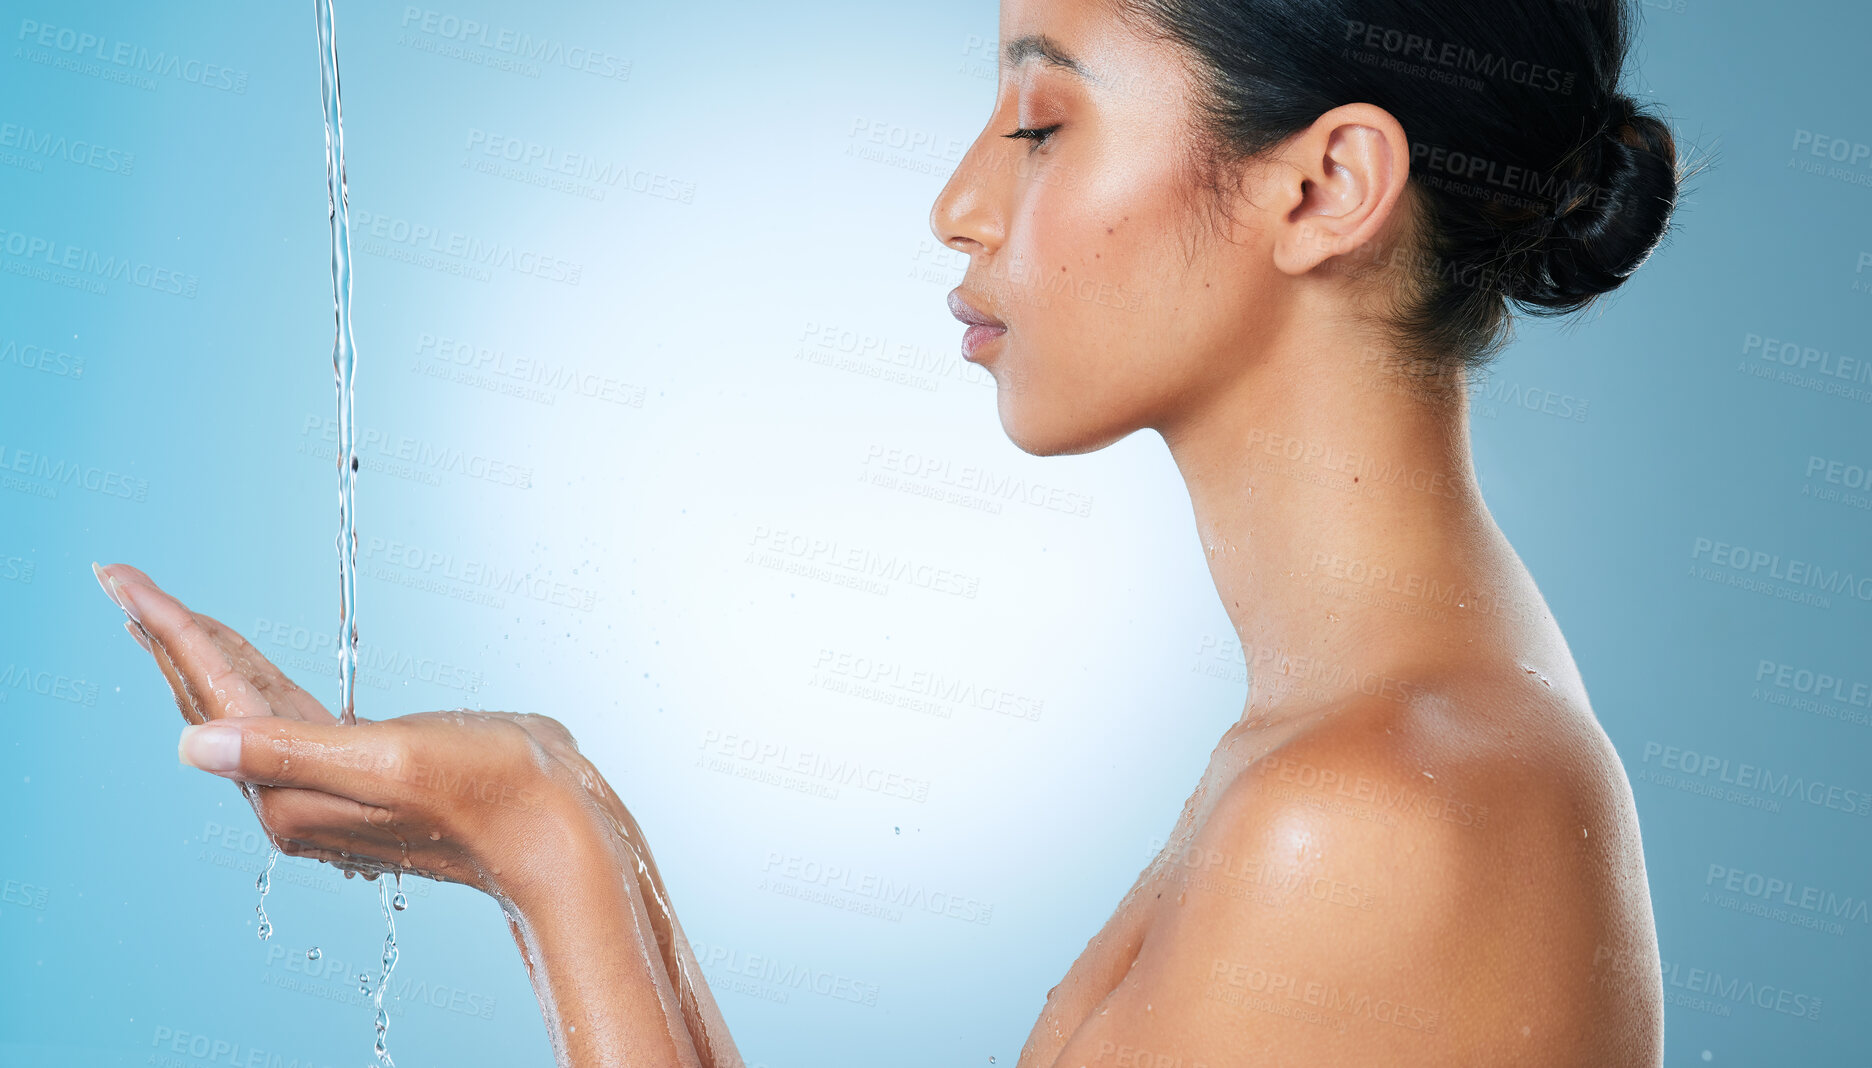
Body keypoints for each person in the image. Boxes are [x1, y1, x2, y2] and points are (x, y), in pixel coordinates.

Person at [95, 0, 1686, 1063]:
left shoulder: (1377, 813)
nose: (959, 201)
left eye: (1044, 124)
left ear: (1327, 185)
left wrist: (546, 849)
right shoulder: (1358, 742)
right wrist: (555, 819)